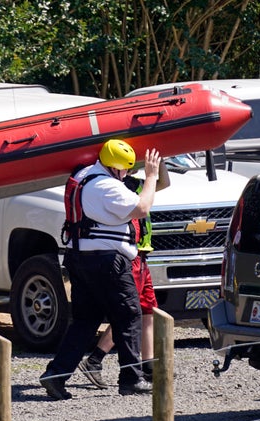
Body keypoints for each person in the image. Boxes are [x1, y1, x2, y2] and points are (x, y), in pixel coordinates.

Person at [40, 139, 161, 400]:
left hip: (80, 258)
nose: (127, 174)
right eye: (125, 170)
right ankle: (131, 378)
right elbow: (142, 208)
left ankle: (56, 375)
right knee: (129, 317)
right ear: (116, 169)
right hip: (107, 262)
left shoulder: (83, 175)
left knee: (84, 321)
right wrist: (151, 177)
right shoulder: (107, 186)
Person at [78, 159, 170, 387]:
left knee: (147, 310)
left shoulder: (138, 184)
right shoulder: (120, 187)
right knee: (130, 312)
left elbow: (163, 183)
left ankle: (148, 365)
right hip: (132, 256)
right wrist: (149, 174)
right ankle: (96, 359)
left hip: (143, 253)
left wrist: (162, 160)